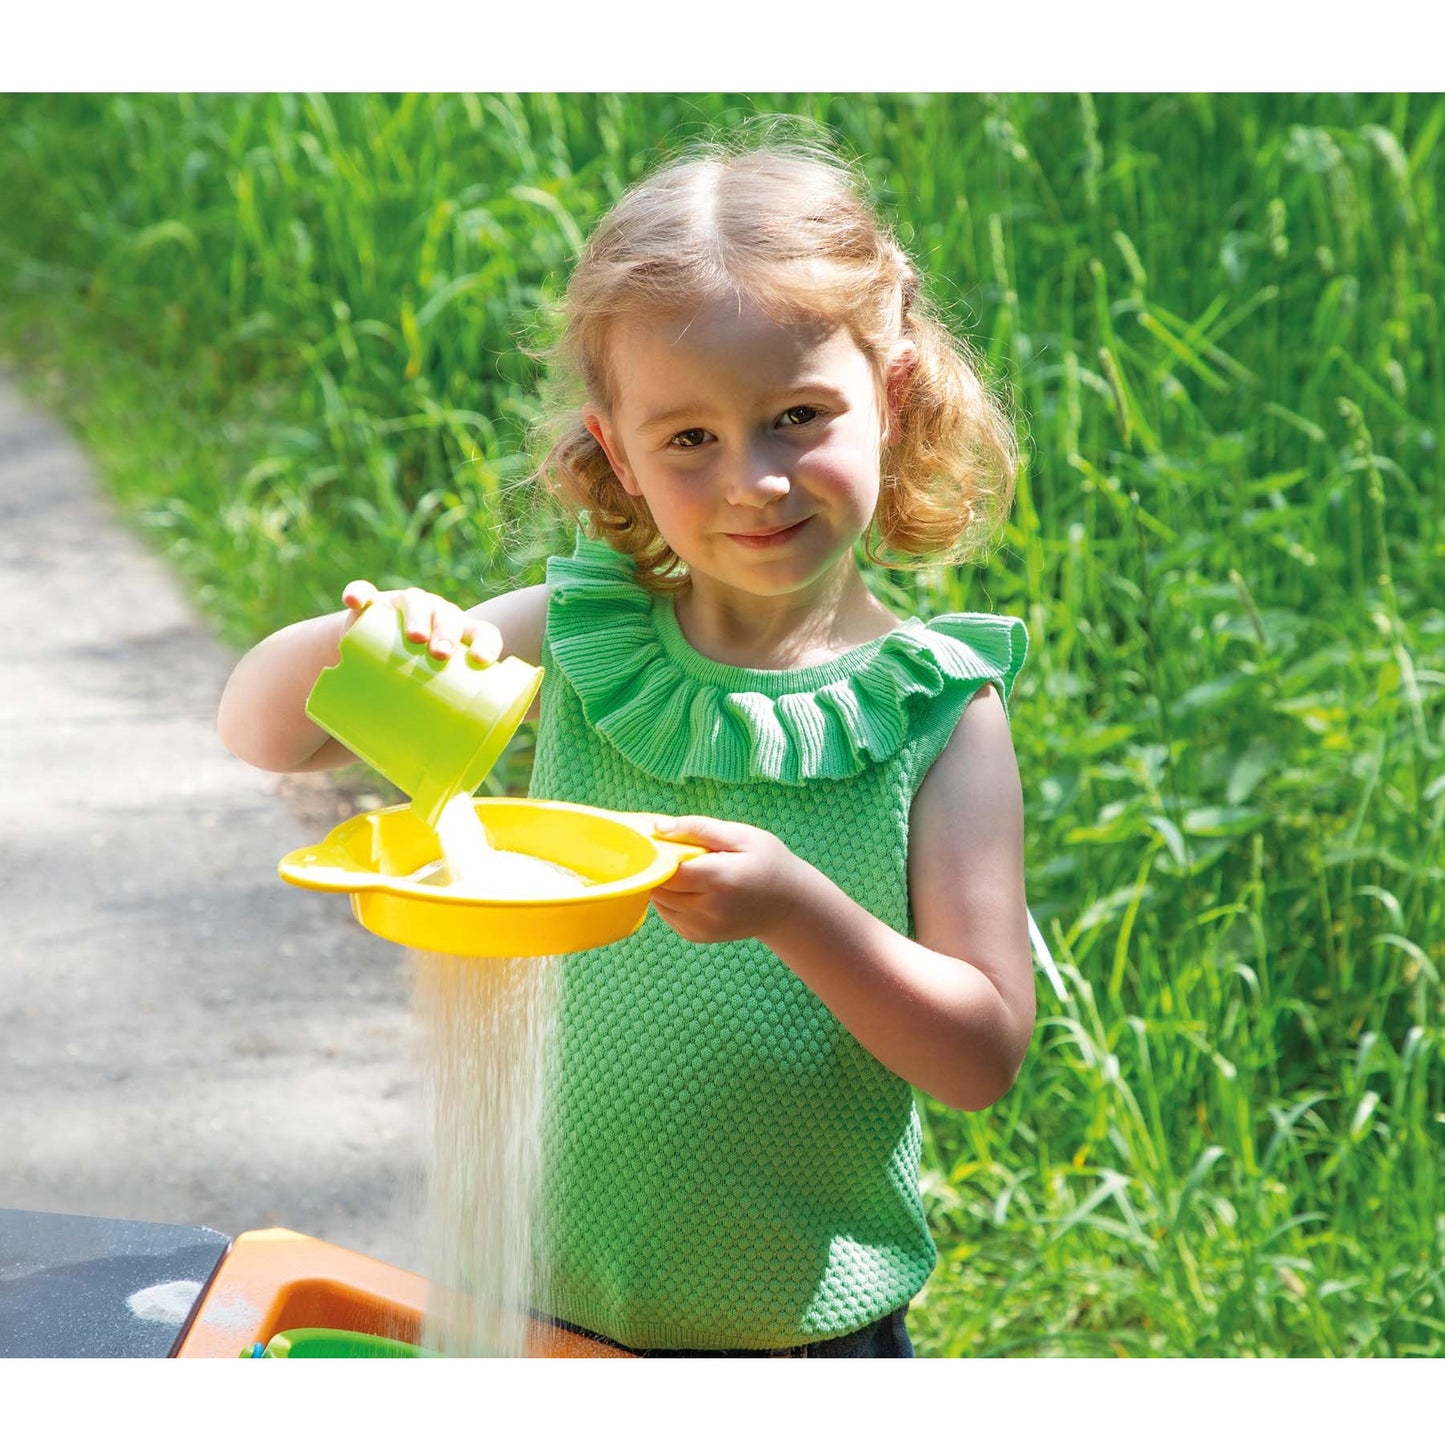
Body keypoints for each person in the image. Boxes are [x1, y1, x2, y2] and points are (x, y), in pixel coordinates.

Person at [217, 134, 1035, 1358]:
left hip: (798, 1339)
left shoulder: (934, 711)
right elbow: (263, 732)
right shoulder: (587, 635)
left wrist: (797, 909)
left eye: (794, 417)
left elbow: (977, 1053)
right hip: (538, 1288)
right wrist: (383, 636)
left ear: (894, 393)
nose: (752, 479)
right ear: (615, 448)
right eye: (688, 439)